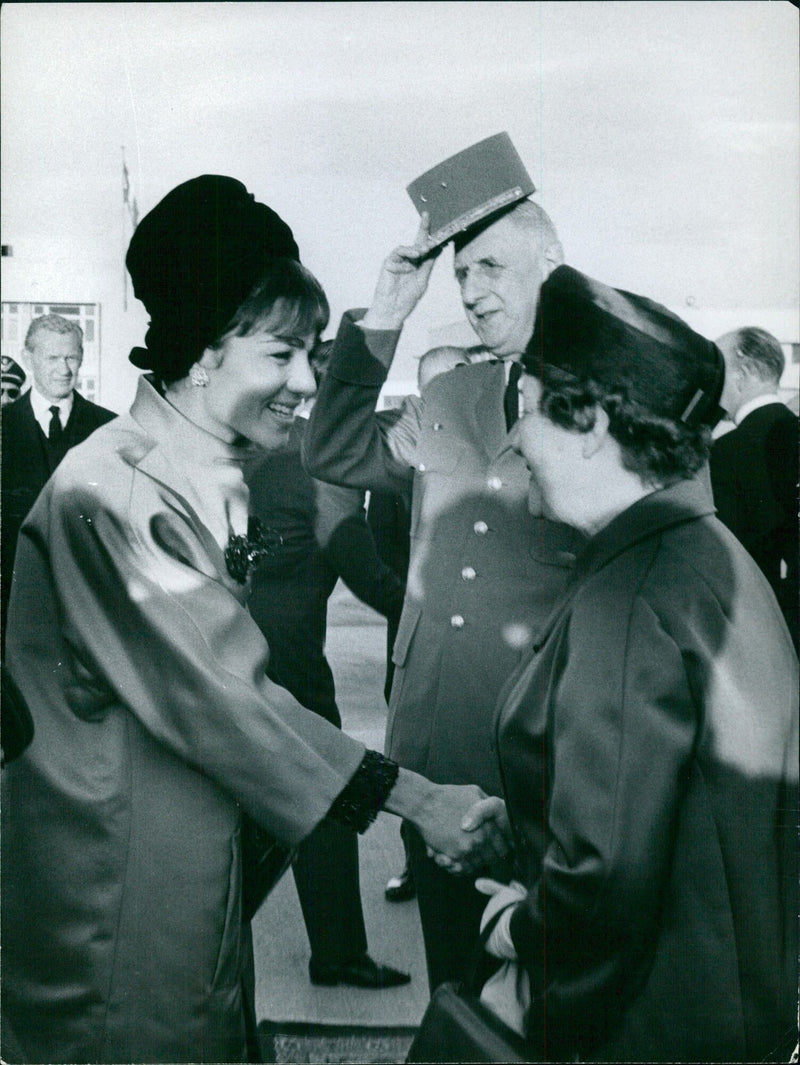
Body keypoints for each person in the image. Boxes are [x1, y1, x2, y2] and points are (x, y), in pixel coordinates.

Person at [0, 175, 511, 1065]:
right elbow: (228, 698)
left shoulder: (191, 468)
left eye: (311, 354)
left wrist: (387, 306)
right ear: (203, 352)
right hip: (116, 908)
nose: (305, 381)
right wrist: (418, 798)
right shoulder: (114, 491)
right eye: (282, 356)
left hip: (181, 884)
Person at [476, 265, 799, 1063]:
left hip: (645, 1028)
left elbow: (604, 880)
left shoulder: (631, 593)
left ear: (586, 423)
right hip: (730, 1011)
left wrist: (515, 931)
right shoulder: (706, 555)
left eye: (526, 410)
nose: (515, 440)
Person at [304, 194, 582, 989]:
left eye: (490, 266)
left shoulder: (607, 403)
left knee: (550, 995)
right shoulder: (450, 396)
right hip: (434, 739)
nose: (470, 289)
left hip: (549, 753)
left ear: (551, 268)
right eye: (460, 273)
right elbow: (331, 450)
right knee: (455, 988)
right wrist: (390, 308)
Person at [246, 342, 410, 989]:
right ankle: (338, 951)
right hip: (289, 656)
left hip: (229, 640)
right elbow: (355, 558)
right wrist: (424, 607)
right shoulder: (320, 452)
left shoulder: (246, 432)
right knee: (335, 796)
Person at [1, 314, 115, 637]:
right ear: (28, 358)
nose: (64, 369)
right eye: (52, 357)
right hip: (11, 611)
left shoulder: (109, 429)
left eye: (72, 357)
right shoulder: (2, 428)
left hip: (88, 613)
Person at [710, 327, 798, 644]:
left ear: (744, 373)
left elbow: (726, 559)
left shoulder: (724, 451)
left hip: (760, 628)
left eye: (719, 370)